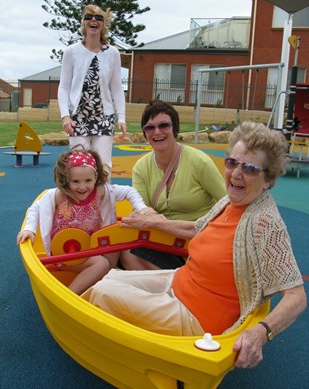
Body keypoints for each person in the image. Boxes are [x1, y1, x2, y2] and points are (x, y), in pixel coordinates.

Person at [82, 121, 306, 369]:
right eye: (232, 163)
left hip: (198, 317)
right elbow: (196, 227)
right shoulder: (228, 202)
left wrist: (261, 333)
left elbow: (297, 296)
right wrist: (154, 224)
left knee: (103, 293)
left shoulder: (265, 222)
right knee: (108, 279)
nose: (236, 174)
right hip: (180, 281)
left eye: (250, 168)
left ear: (268, 180)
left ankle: (100, 347)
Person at [17, 146, 151, 295]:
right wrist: (29, 229)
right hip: (64, 253)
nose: (82, 187)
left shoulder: (100, 191)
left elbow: (129, 191)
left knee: (117, 244)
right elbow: (36, 208)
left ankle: (119, 280)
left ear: (96, 177)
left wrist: (142, 208)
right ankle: (69, 295)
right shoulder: (60, 196)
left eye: (88, 180)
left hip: (89, 246)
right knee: (101, 263)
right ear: (66, 180)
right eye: (75, 181)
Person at [121, 100, 226, 270]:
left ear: (174, 129)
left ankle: (173, 284)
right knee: (126, 252)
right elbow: (142, 211)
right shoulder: (141, 168)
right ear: (145, 133)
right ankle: (173, 286)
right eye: (150, 127)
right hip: (165, 240)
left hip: (198, 239)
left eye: (164, 125)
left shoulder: (199, 162)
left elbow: (228, 204)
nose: (157, 132)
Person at [58, 3, 126, 176]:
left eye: (98, 18)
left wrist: (122, 118)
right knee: (79, 167)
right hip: (77, 118)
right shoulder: (71, 52)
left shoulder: (112, 53)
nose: (93, 20)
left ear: (103, 24)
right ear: (84, 23)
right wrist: (65, 116)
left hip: (103, 118)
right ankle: (80, 203)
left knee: (103, 168)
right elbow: (64, 86)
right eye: (89, 17)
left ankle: (103, 203)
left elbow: (117, 87)